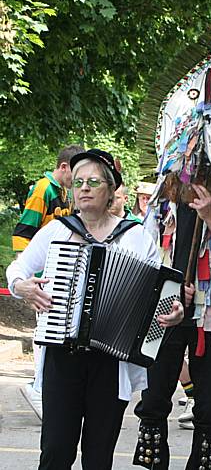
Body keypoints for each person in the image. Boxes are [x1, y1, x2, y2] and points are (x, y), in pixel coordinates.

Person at [6, 148, 184, 470]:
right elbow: (16, 270)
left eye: (93, 182)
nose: (84, 188)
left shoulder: (135, 237)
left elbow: (165, 296)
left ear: (111, 188)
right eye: (78, 183)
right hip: (62, 355)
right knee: (56, 451)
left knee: (99, 455)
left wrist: (175, 312)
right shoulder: (57, 231)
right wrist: (23, 287)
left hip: (111, 361)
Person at [133, 172, 211, 469]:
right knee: (153, 401)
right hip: (164, 313)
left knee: (210, 406)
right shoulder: (163, 207)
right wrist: (171, 286)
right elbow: (144, 260)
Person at [12, 143, 84, 419]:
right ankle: (38, 389)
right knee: (45, 332)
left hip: (56, 270)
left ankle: (43, 388)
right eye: (75, 172)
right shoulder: (44, 189)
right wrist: (27, 278)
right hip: (41, 272)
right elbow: (24, 230)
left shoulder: (63, 192)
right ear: (63, 167)